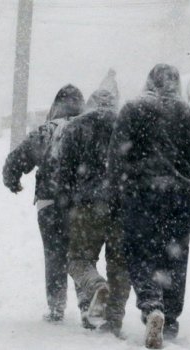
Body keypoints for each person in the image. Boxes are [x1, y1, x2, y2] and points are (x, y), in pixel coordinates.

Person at [107, 64, 190, 349]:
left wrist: (115, 197)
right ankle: (171, 320)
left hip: (139, 196)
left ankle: (152, 306)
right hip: (179, 198)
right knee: (174, 257)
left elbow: (116, 159)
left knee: (140, 253)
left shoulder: (132, 111)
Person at [2, 84, 85, 322]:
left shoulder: (45, 132)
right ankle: (87, 305)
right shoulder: (87, 129)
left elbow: (16, 160)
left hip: (49, 204)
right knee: (82, 254)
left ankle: (57, 307)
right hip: (82, 204)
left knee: (54, 254)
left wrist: (12, 181)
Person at [54, 89, 130, 336]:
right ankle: (114, 321)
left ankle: (96, 285)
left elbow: (63, 170)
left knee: (78, 260)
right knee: (119, 265)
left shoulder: (76, 127)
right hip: (122, 206)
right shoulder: (126, 126)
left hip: (86, 206)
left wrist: (65, 203)